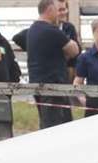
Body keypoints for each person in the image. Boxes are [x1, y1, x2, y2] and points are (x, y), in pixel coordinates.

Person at [21, 0, 79, 129]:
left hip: (38, 84)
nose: (58, 14)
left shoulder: (32, 29)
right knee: (55, 128)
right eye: (57, 10)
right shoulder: (52, 31)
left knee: (48, 124)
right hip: (53, 88)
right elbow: (74, 50)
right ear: (49, 10)